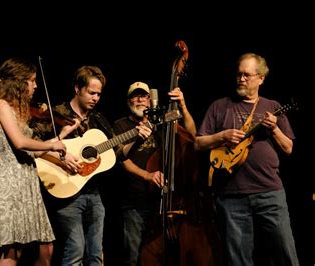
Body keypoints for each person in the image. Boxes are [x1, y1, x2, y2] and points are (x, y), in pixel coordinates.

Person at [31, 66, 152, 265]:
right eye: (91, 92)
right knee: (75, 250)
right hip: (67, 191)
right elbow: (33, 147)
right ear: (78, 89)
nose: (96, 98)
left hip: (94, 193)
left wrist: (137, 140)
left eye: (99, 94)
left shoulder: (98, 120)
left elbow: (117, 154)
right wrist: (61, 156)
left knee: (96, 254)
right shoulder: (56, 115)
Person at [194, 53, 299, 265]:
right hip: (231, 196)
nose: (241, 79)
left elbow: (288, 148)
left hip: (269, 193)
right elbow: (198, 143)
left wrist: (275, 129)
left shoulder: (272, 107)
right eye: (239, 74)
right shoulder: (219, 106)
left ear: (261, 78)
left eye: (247, 75)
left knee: (285, 254)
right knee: (237, 260)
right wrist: (221, 136)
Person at [0, 57, 78, 266]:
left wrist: (61, 137)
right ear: (19, 81)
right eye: (32, 80)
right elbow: (20, 142)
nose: (35, 85)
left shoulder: (16, 110)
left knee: (45, 247)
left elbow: (33, 150)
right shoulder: (1, 105)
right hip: (10, 180)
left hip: (26, 178)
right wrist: (52, 145)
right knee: (12, 251)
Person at [113, 81, 197, 266]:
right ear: (128, 100)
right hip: (134, 200)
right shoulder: (120, 125)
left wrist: (182, 105)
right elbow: (121, 160)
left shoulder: (161, 122)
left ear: (151, 100)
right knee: (133, 256)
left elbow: (192, 136)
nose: (140, 100)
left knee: (162, 256)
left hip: (162, 199)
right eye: (135, 96)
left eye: (144, 96)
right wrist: (147, 175)